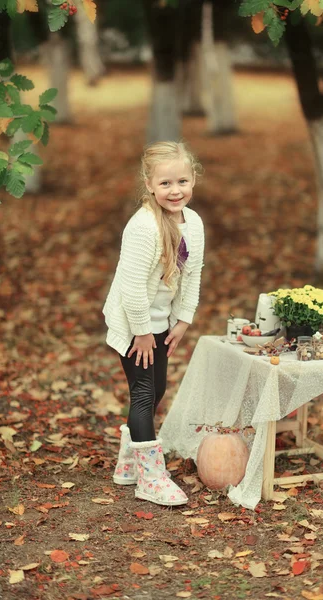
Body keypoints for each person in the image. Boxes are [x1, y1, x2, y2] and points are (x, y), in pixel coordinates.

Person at [103, 141, 205, 507]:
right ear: (149, 184)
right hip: (135, 324)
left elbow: (192, 274)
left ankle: (128, 463)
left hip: (160, 323)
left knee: (157, 389)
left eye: (182, 181)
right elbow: (130, 288)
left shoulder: (192, 222)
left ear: (193, 179)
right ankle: (151, 478)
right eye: (165, 184)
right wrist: (143, 333)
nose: (175, 190)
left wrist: (183, 320)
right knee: (144, 394)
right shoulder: (143, 227)